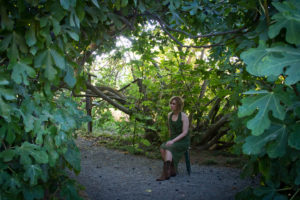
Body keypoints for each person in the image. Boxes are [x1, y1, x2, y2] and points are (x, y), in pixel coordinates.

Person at [156, 96, 190, 181]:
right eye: (170, 103)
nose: (171, 105)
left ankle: (165, 173)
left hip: (183, 141)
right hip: (173, 139)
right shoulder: (169, 115)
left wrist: (173, 141)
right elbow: (170, 130)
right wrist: (170, 140)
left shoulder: (183, 116)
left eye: (173, 104)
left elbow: (185, 132)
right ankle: (172, 169)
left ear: (178, 105)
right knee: (162, 147)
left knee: (168, 148)